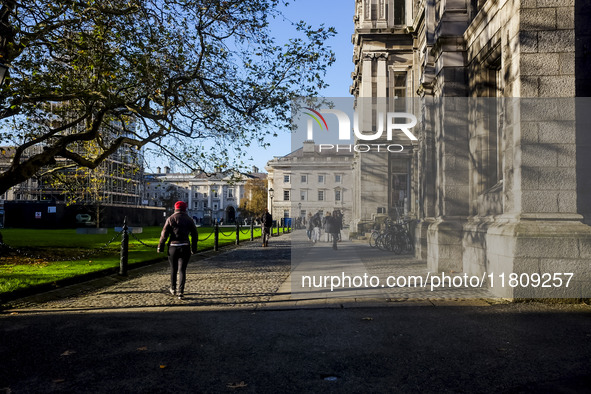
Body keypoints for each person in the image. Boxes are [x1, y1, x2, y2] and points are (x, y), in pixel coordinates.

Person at [157, 201, 198, 300]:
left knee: (173, 269)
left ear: (175, 208)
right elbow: (194, 234)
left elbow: (164, 234)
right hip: (185, 246)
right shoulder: (189, 219)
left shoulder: (170, 218)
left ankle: (173, 288)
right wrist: (194, 248)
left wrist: (160, 246)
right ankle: (181, 292)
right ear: (185, 209)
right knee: (182, 270)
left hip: (173, 247)